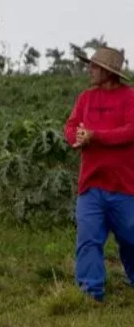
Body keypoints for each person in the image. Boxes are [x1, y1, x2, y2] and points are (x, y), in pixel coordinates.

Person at [64, 46, 134, 302]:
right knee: (89, 239)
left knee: (130, 237)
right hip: (91, 184)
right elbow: (71, 126)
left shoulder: (130, 97)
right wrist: (77, 138)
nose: (89, 70)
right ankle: (90, 293)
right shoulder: (85, 98)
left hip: (125, 186)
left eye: (94, 66)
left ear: (108, 72)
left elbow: (131, 131)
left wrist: (96, 136)